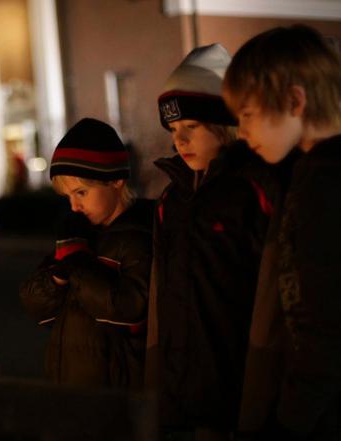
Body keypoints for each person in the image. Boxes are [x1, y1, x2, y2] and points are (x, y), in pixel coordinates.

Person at [144, 43, 277, 440]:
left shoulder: (255, 192)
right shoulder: (171, 201)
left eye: (191, 128)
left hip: (236, 390)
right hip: (181, 394)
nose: (179, 141)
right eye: (172, 131)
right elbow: (159, 302)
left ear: (225, 124)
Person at [222, 25, 341, 440]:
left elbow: (324, 327)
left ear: (295, 100)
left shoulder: (323, 186)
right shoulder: (311, 173)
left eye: (248, 114)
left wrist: (287, 424)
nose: (242, 131)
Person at [20, 118, 153, 388]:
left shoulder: (138, 236)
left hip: (117, 389)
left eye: (81, 192)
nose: (75, 206)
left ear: (115, 180)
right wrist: (58, 273)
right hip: (71, 382)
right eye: (68, 197)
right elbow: (39, 310)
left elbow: (129, 311)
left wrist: (77, 266)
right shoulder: (82, 235)